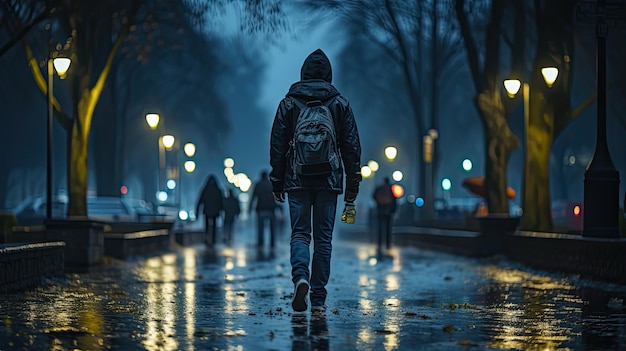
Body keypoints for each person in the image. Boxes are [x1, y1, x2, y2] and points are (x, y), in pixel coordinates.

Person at [269, 48, 362, 313]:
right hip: (329, 179)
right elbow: (351, 148)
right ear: (328, 75)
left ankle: (300, 277)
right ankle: (318, 298)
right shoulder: (340, 104)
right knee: (323, 240)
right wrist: (352, 189)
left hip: (297, 178)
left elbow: (277, 144)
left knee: (300, 233)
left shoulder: (289, 103)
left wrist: (277, 181)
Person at [250, 170, 278, 248]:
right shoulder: (271, 184)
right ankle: (272, 243)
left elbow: (253, 197)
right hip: (271, 209)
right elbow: (276, 197)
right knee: (272, 228)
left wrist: (249, 209)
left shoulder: (258, 185)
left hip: (261, 209)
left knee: (260, 228)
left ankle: (260, 242)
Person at [196, 175, 224, 245]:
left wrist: (197, 210)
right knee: (214, 225)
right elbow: (221, 201)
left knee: (207, 225)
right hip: (215, 211)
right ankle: (213, 239)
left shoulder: (205, 189)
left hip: (207, 210)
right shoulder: (218, 190)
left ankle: (206, 237)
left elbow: (200, 200)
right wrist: (221, 210)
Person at [373, 177, 397, 251]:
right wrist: (393, 210)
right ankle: (388, 244)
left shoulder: (379, 188)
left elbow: (374, 196)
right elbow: (394, 200)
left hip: (380, 210)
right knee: (388, 228)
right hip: (388, 211)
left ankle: (379, 244)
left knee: (380, 228)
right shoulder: (391, 189)